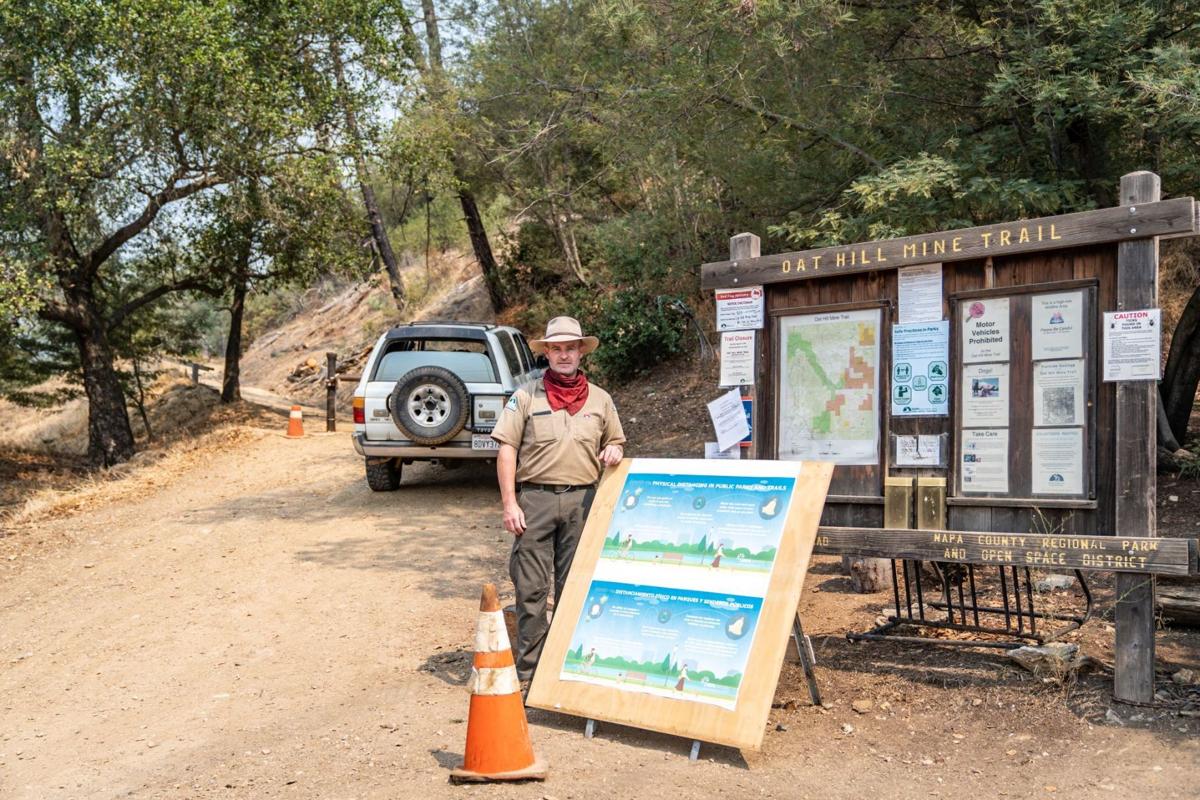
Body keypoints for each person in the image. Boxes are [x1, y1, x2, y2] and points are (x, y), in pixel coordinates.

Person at [491, 316, 626, 689]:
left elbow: (615, 441)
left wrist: (613, 449)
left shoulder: (601, 399)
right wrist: (509, 504)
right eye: (556, 348)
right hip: (534, 501)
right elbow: (507, 449)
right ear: (546, 353)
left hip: (583, 504)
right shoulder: (525, 397)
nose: (564, 355)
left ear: (581, 351)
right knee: (531, 590)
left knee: (576, 589)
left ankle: (567, 673)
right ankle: (530, 677)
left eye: (570, 348)